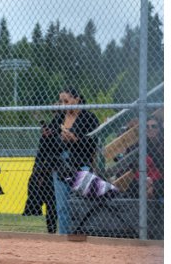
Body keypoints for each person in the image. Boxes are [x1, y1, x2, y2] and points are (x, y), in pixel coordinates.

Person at [47, 87, 99, 235]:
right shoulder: (59, 118)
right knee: (62, 206)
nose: (63, 105)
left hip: (81, 163)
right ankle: (64, 238)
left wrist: (75, 139)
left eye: (66, 101)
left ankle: (81, 235)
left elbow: (93, 143)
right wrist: (52, 136)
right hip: (61, 164)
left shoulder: (89, 117)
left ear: (76, 99)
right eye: (61, 101)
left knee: (81, 205)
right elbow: (51, 143)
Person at [22, 116, 60, 233]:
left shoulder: (58, 136)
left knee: (53, 203)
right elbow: (39, 157)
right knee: (50, 201)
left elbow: (56, 154)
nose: (45, 132)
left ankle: (56, 228)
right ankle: (51, 229)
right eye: (43, 130)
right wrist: (38, 173)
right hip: (45, 173)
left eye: (48, 130)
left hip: (57, 171)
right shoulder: (44, 139)